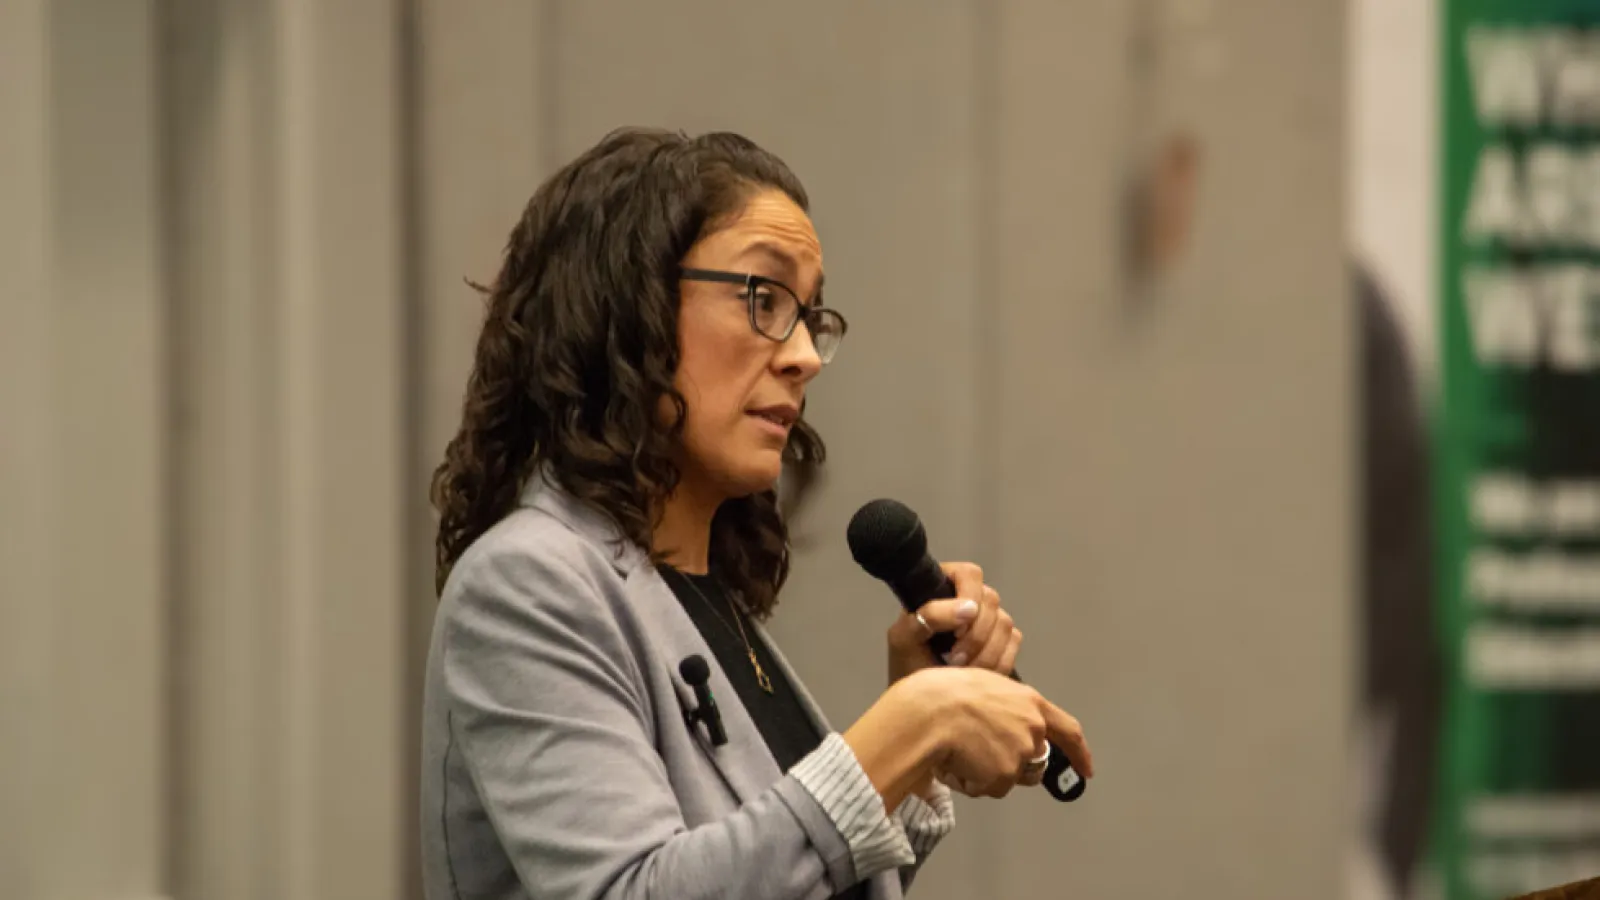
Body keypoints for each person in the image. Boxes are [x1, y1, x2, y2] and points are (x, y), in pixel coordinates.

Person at [419, 127, 1094, 900]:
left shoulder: (706, 600)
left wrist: (914, 761)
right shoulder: (527, 584)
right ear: (625, 310)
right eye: (763, 298)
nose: (804, 352)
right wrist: (910, 727)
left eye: (810, 315)